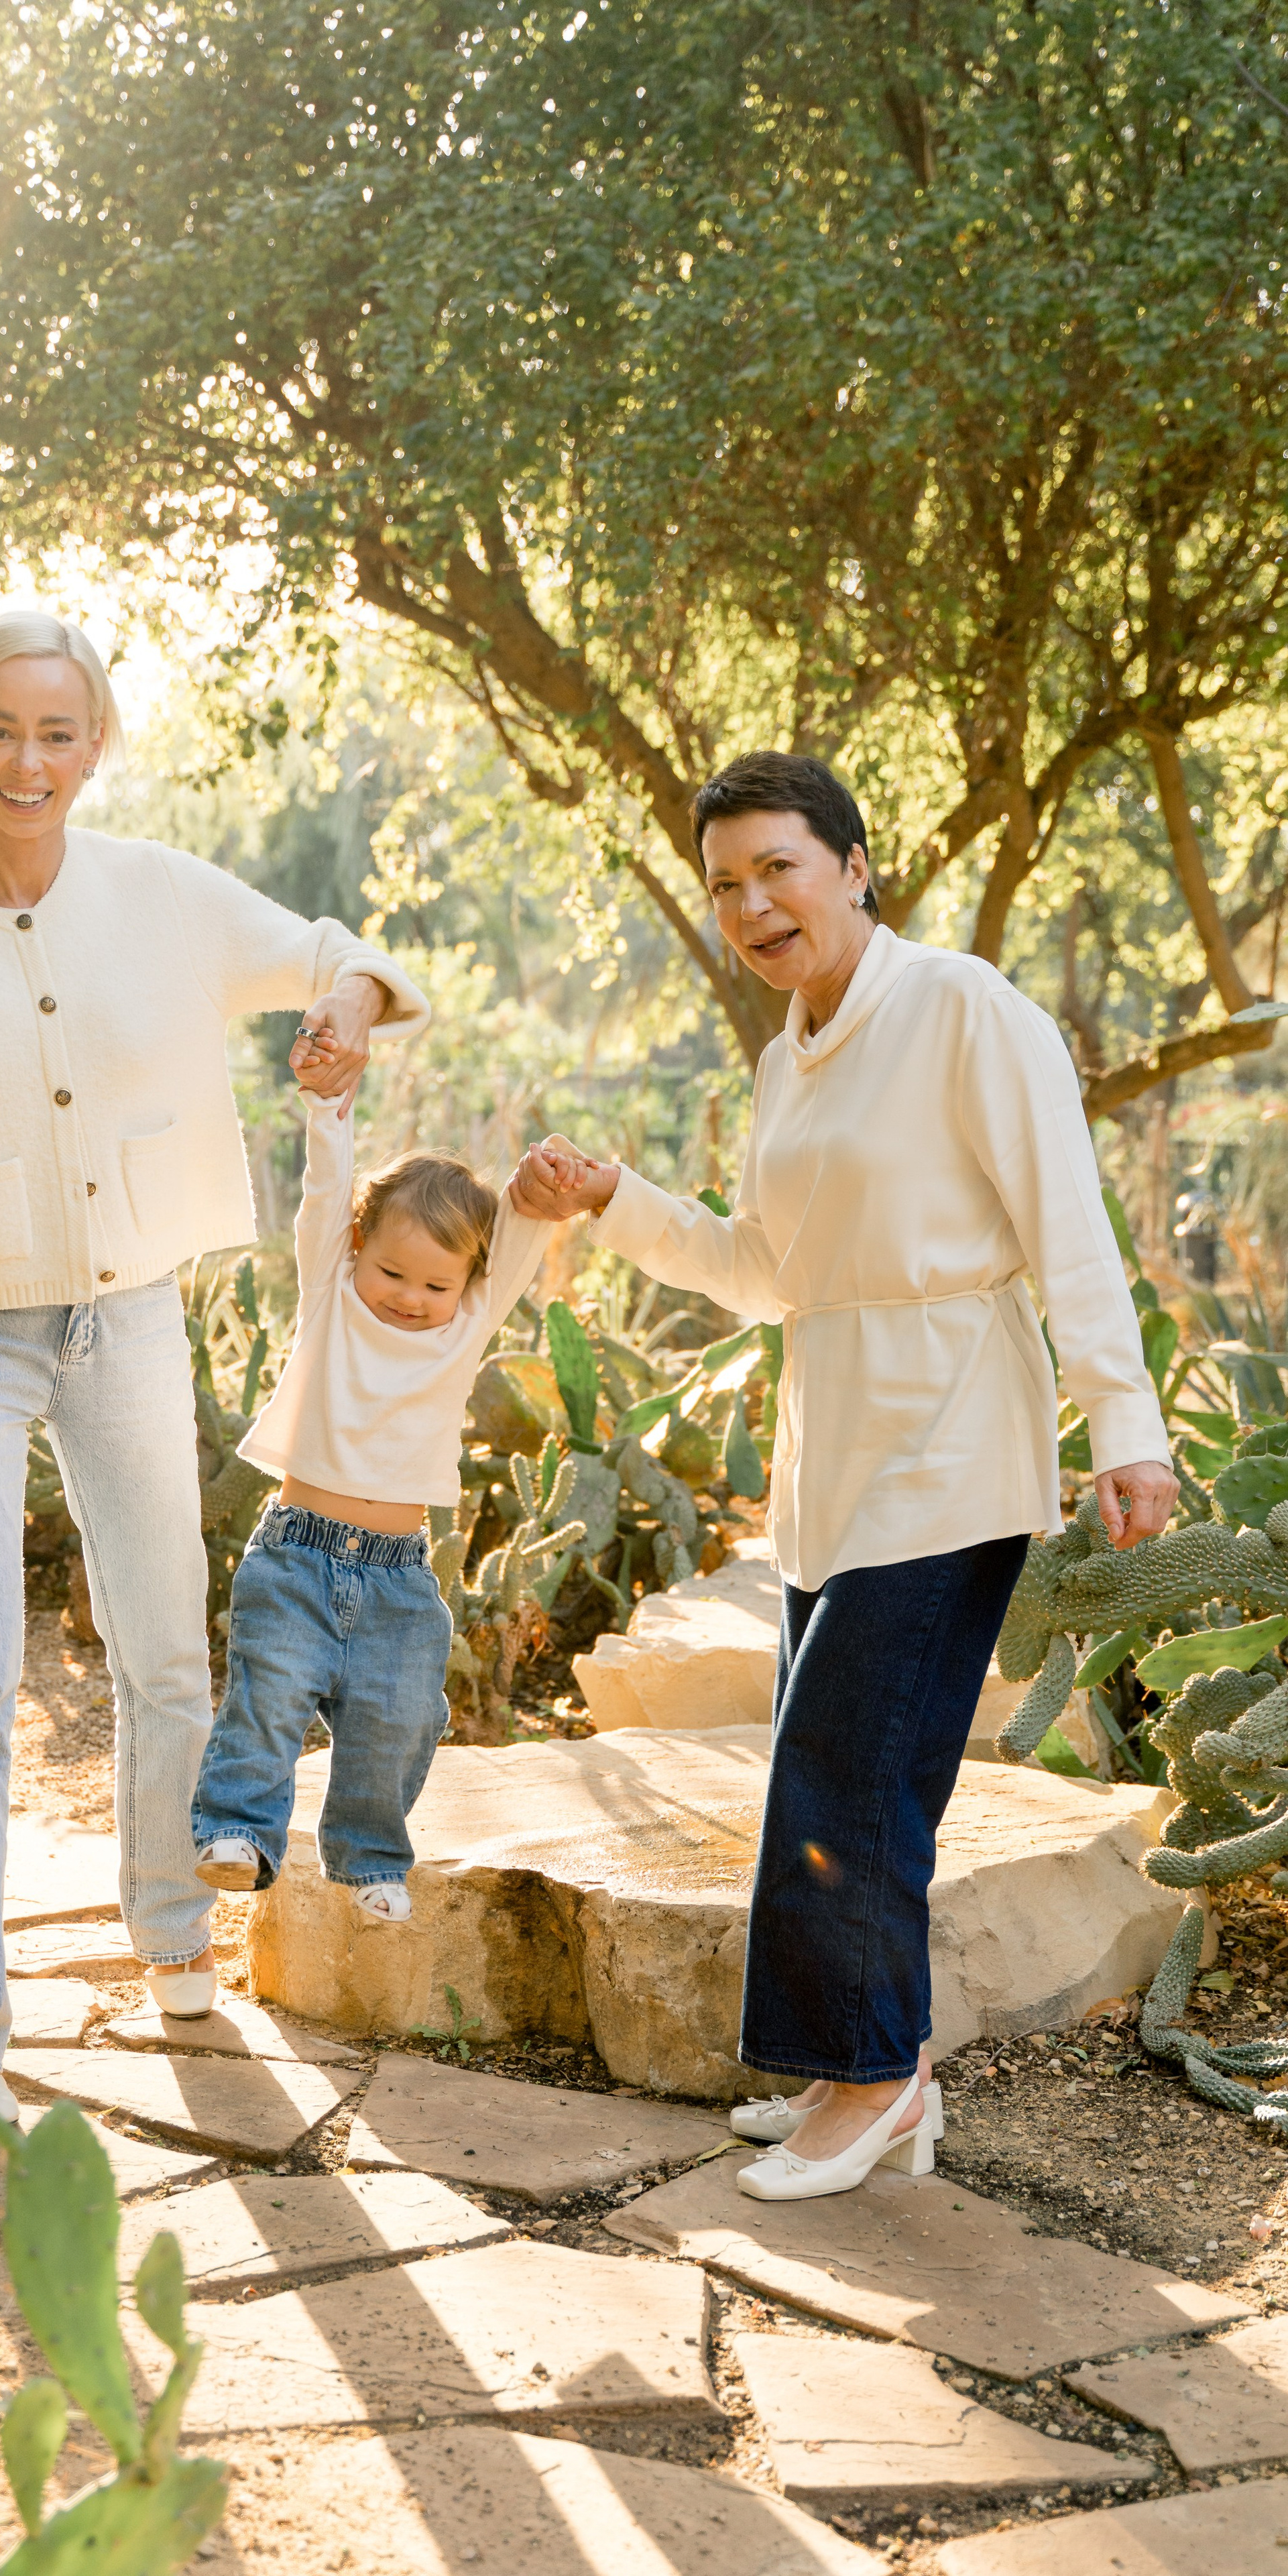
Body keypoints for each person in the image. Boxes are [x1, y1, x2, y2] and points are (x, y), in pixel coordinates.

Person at [0, 606, 428, 2121]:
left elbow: (339, 956)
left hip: (129, 1315)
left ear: (96, 744)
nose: (28, 760)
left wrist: (342, 1005)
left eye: (58, 732)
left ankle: (172, 1923)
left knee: (166, 1647)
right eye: (0, 729)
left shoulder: (162, 896)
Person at [509, 748, 1175, 2204]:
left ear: (854, 867)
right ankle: (865, 2068)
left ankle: (876, 2082)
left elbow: (1066, 1221)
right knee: (842, 1769)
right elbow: (767, 1273)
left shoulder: (959, 1007)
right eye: (724, 885)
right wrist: (615, 1199)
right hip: (832, 1456)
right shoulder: (784, 1061)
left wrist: (1125, 1425)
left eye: (778, 869)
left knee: (849, 1768)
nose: (751, 906)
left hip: (950, 1438)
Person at [189, 1069, 554, 1916]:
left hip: (398, 1577)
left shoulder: (465, 1327)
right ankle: (237, 1830)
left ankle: (368, 1860)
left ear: (467, 1282)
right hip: (297, 1553)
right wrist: (328, 1110)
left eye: (436, 1285)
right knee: (267, 1697)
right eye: (392, 1272)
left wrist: (540, 1194)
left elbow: (518, 1244)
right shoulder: (331, 1294)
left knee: (400, 1719)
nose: (410, 1298)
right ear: (357, 1244)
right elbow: (323, 1198)